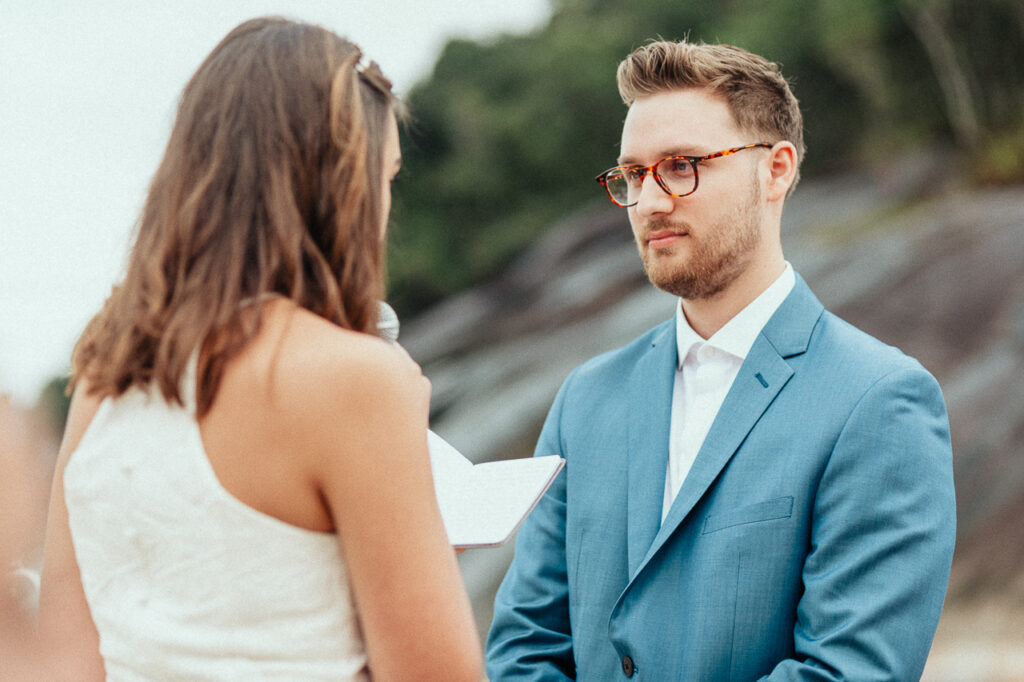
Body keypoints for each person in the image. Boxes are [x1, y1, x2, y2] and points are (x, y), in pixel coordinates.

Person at [486, 40, 956, 681]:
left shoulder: (880, 399)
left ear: (777, 169)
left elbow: (849, 672)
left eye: (681, 166)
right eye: (631, 175)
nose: (649, 202)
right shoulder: (585, 398)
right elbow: (525, 648)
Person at [37, 17, 482, 681]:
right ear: (340, 182)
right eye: (385, 177)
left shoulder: (106, 371)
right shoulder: (356, 381)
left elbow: (59, 654)